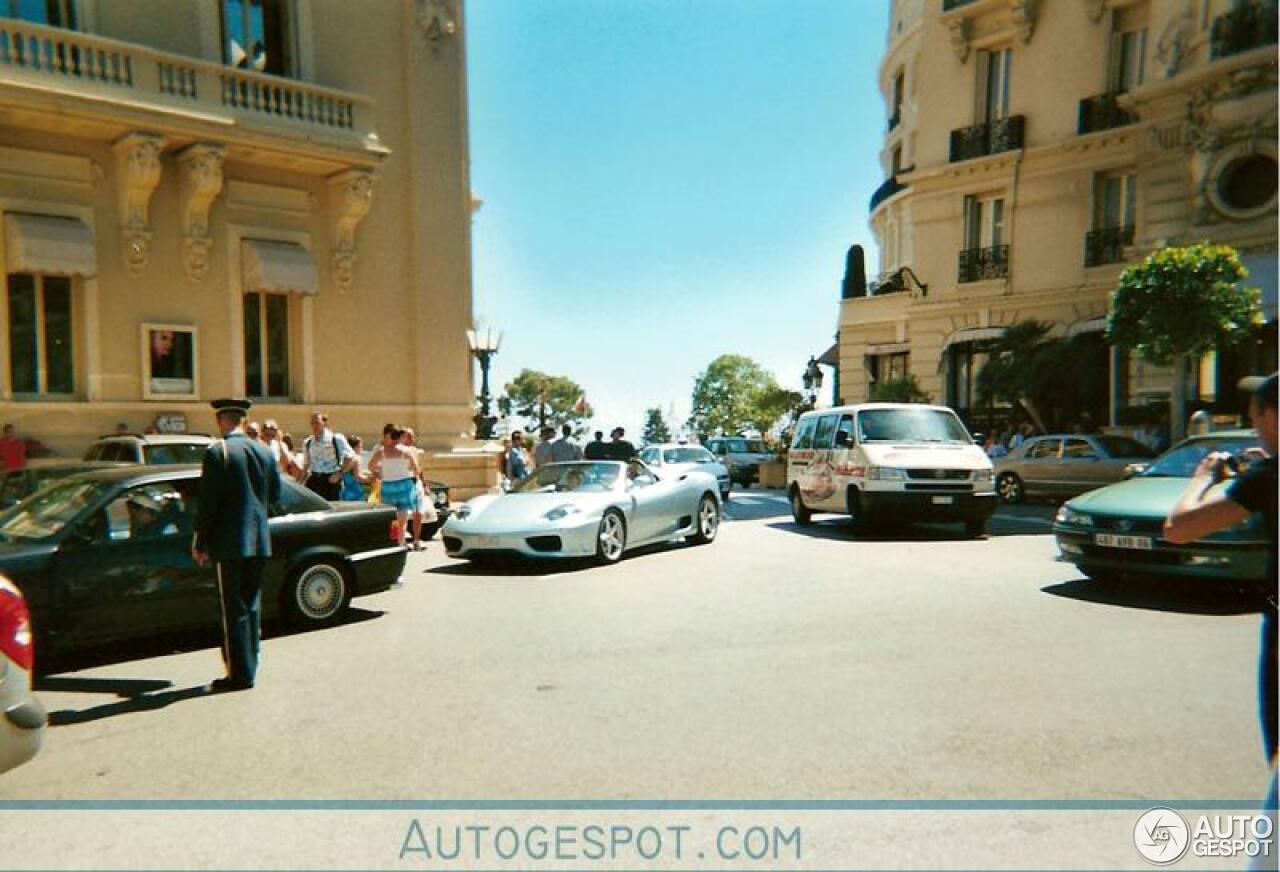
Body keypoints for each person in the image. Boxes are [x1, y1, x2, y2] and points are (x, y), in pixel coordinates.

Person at [1165, 373, 1277, 825]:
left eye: (1256, 421)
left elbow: (1179, 528)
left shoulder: (1268, 479)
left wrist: (1202, 478)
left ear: (1272, 416)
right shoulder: (1266, 476)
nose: (1255, 431)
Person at [192, 398, 282, 693]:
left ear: (221, 421)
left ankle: (238, 674)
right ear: (242, 420)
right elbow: (276, 495)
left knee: (233, 610)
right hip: (259, 540)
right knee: (252, 605)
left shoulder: (219, 452)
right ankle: (250, 666)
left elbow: (208, 503)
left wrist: (200, 539)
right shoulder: (265, 451)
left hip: (230, 541)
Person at [368, 424, 421, 548]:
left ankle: (393, 541)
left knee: (391, 517)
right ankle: (401, 542)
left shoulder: (382, 451)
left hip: (387, 486)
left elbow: (371, 466)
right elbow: (416, 469)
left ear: (390, 436)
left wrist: (379, 473)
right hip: (404, 485)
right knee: (403, 518)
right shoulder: (406, 451)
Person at [299, 411, 356, 501]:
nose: (315, 426)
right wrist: (300, 483)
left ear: (324, 423)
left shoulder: (336, 439)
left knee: (331, 509)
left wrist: (339, 473)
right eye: (312, 423)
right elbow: (306, 464)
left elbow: (352, 458)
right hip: (314, 480)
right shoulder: (308, 442)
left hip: (331, 480)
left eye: (317, 423)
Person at [339, 434, 374, 502]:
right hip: (355, 492)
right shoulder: (356, 459)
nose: (361, 449)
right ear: (355, 447)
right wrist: (373, 478)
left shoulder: (345, 459)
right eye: (360, 447)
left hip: (345, 492)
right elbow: (358, 478)